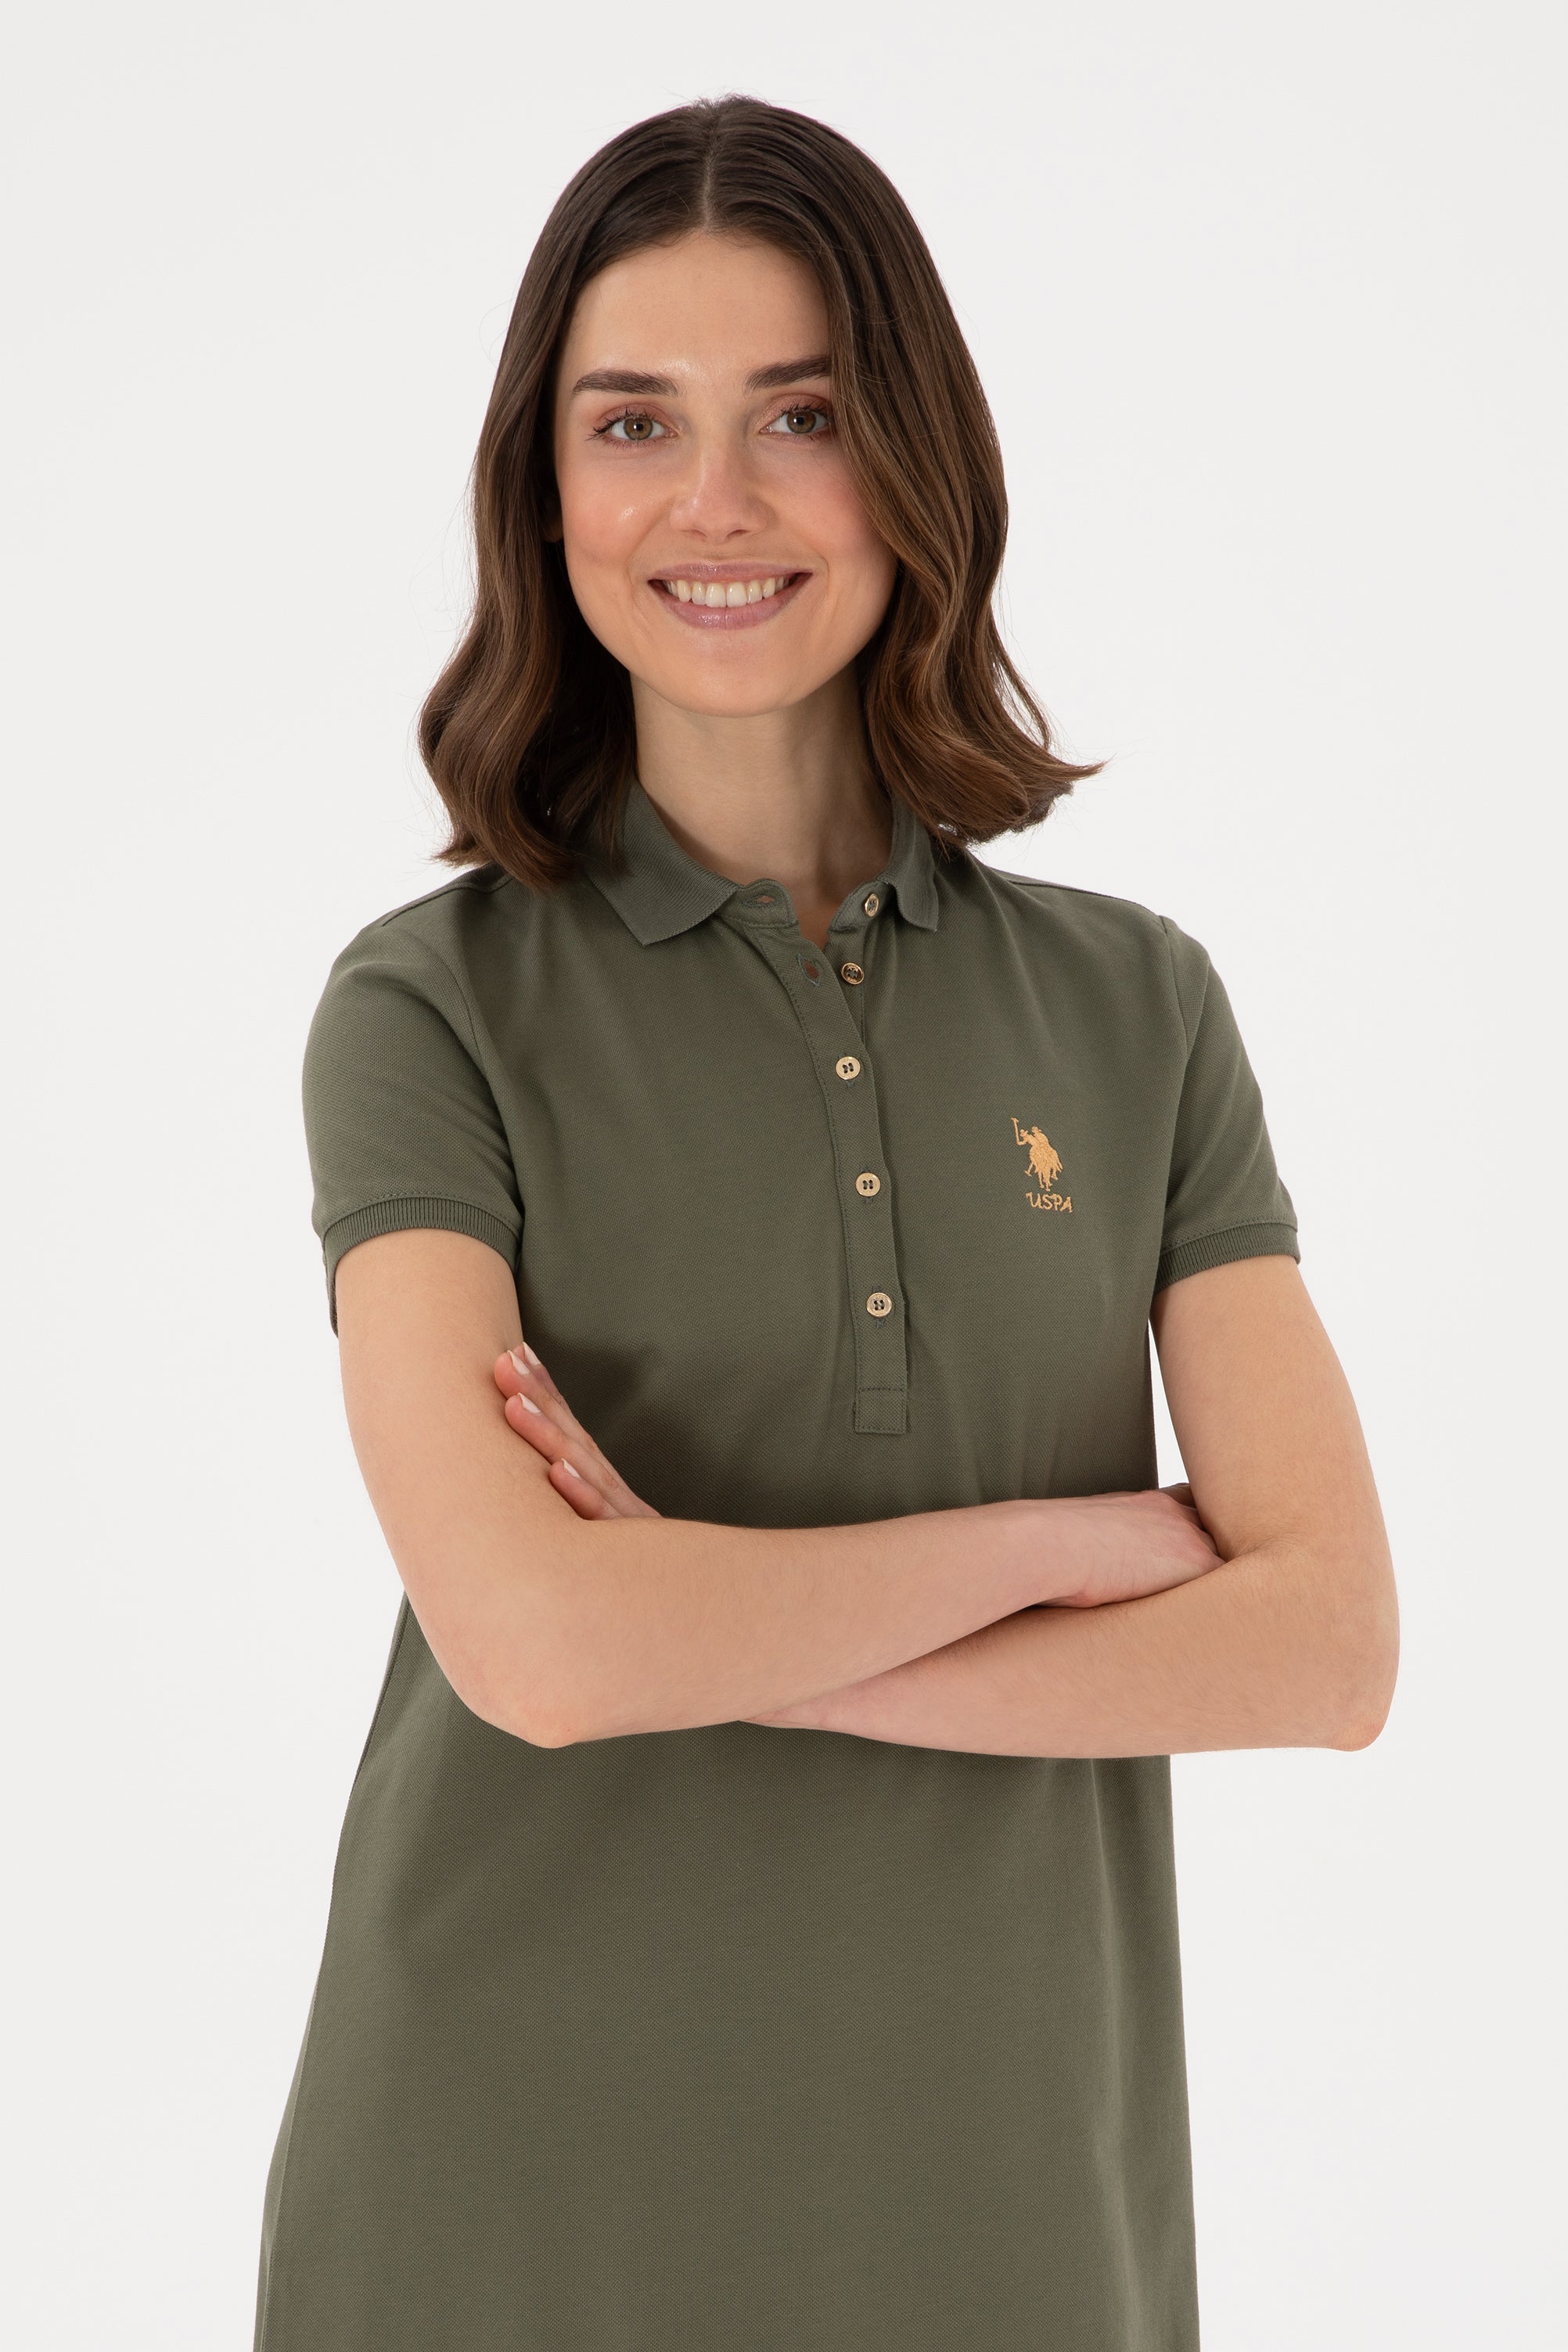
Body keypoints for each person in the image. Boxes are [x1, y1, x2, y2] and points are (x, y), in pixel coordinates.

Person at [253, 93, 1398, 2352]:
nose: (716, 501)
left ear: (916, 462)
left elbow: (1326, 1653)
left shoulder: (1136, 1006)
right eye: (632, 423)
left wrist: (705, 1620)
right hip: (502, 2213)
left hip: (1012, 2218)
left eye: (800, 413)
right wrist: (1071, 1542)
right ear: (543, 490)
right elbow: (538, 1652)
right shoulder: (427, 1008)